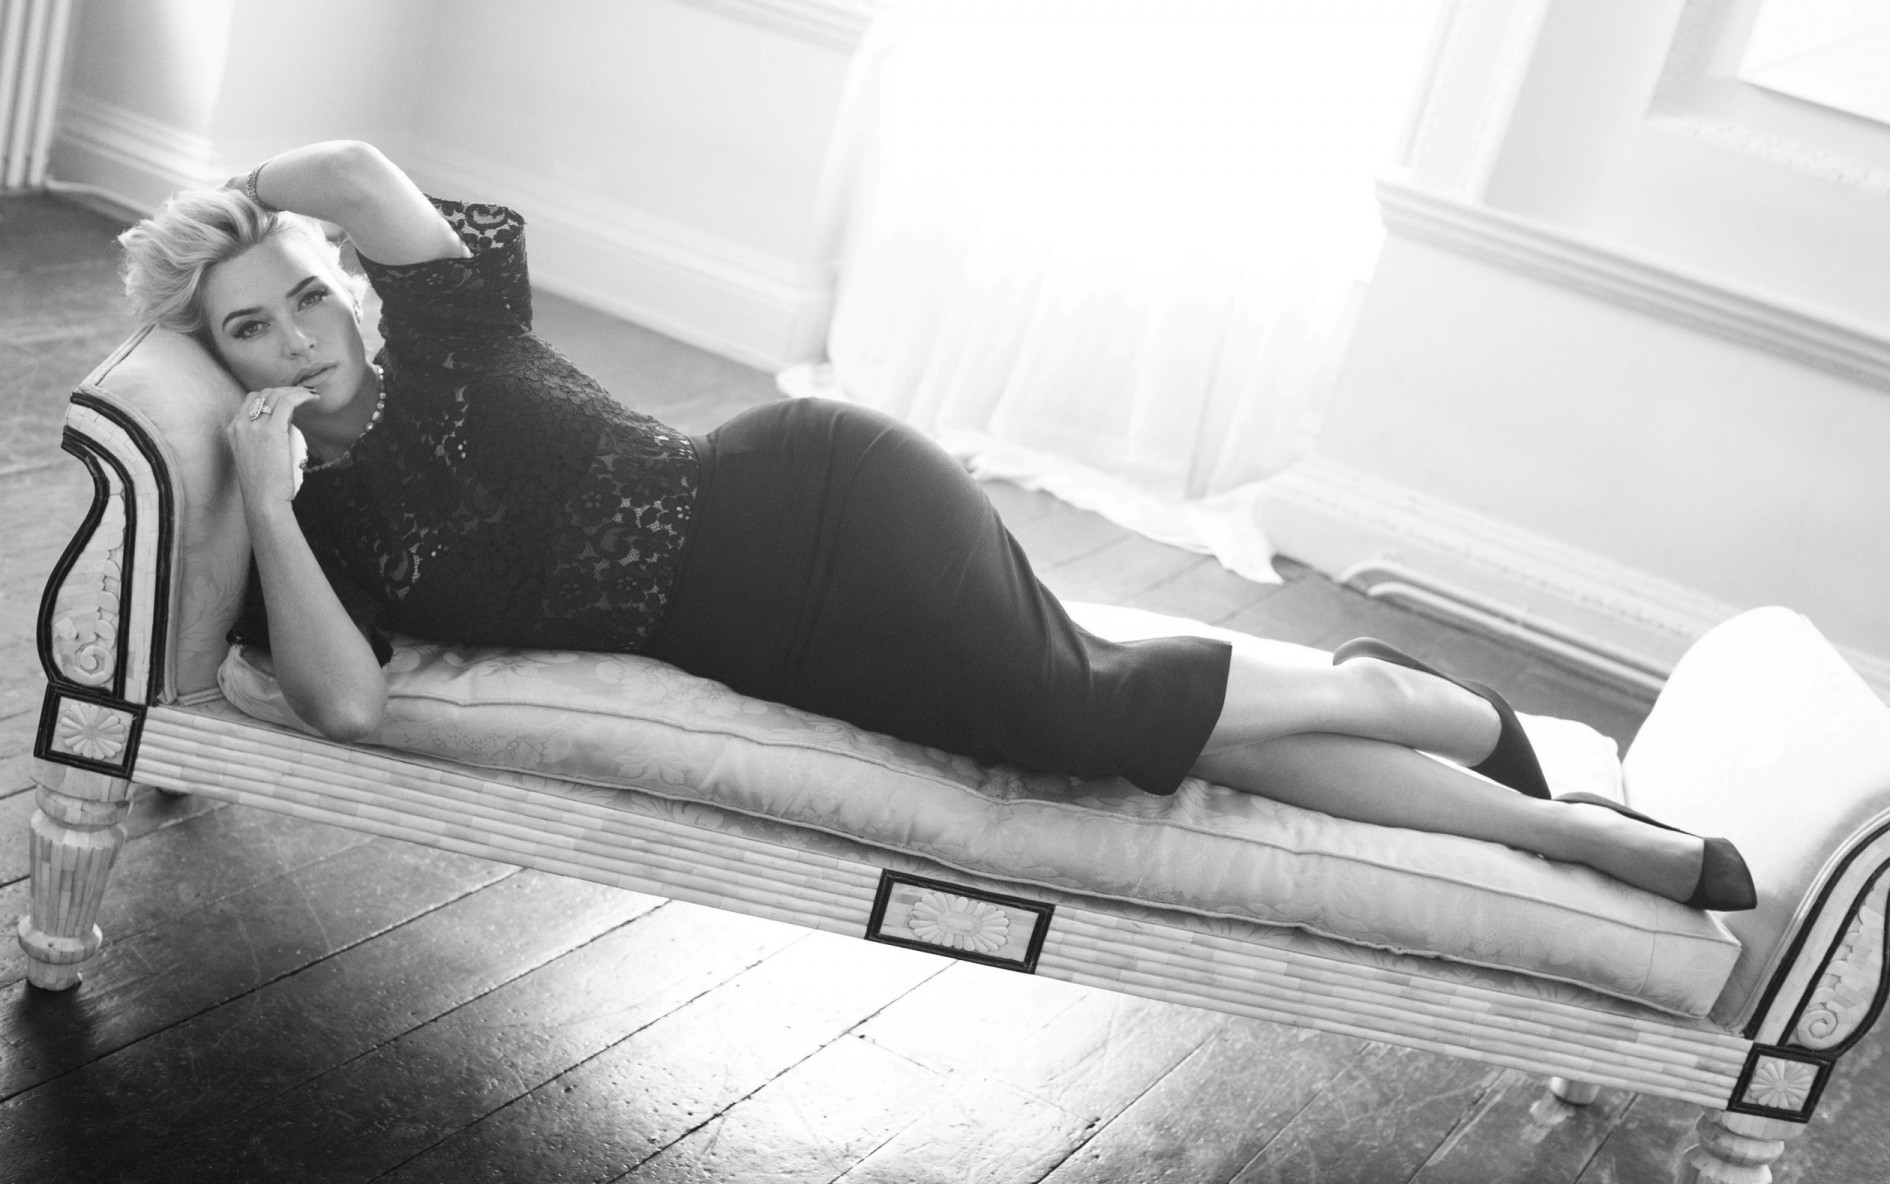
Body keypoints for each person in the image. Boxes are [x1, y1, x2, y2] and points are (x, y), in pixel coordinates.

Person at [116, 140, 1753, 911]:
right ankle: (1446, 733)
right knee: (1131, 726)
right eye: (248, 330)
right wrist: (266, 498)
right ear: (223, 364)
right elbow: (343, 704)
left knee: (1080, 717)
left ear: (347, 283)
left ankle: (1532, 803)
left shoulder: (452, 322)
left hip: (818, 491)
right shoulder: (314, 514)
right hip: (777, 634)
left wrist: (229, 206)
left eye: (305, 293)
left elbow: (351, 167)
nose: (297, 338)